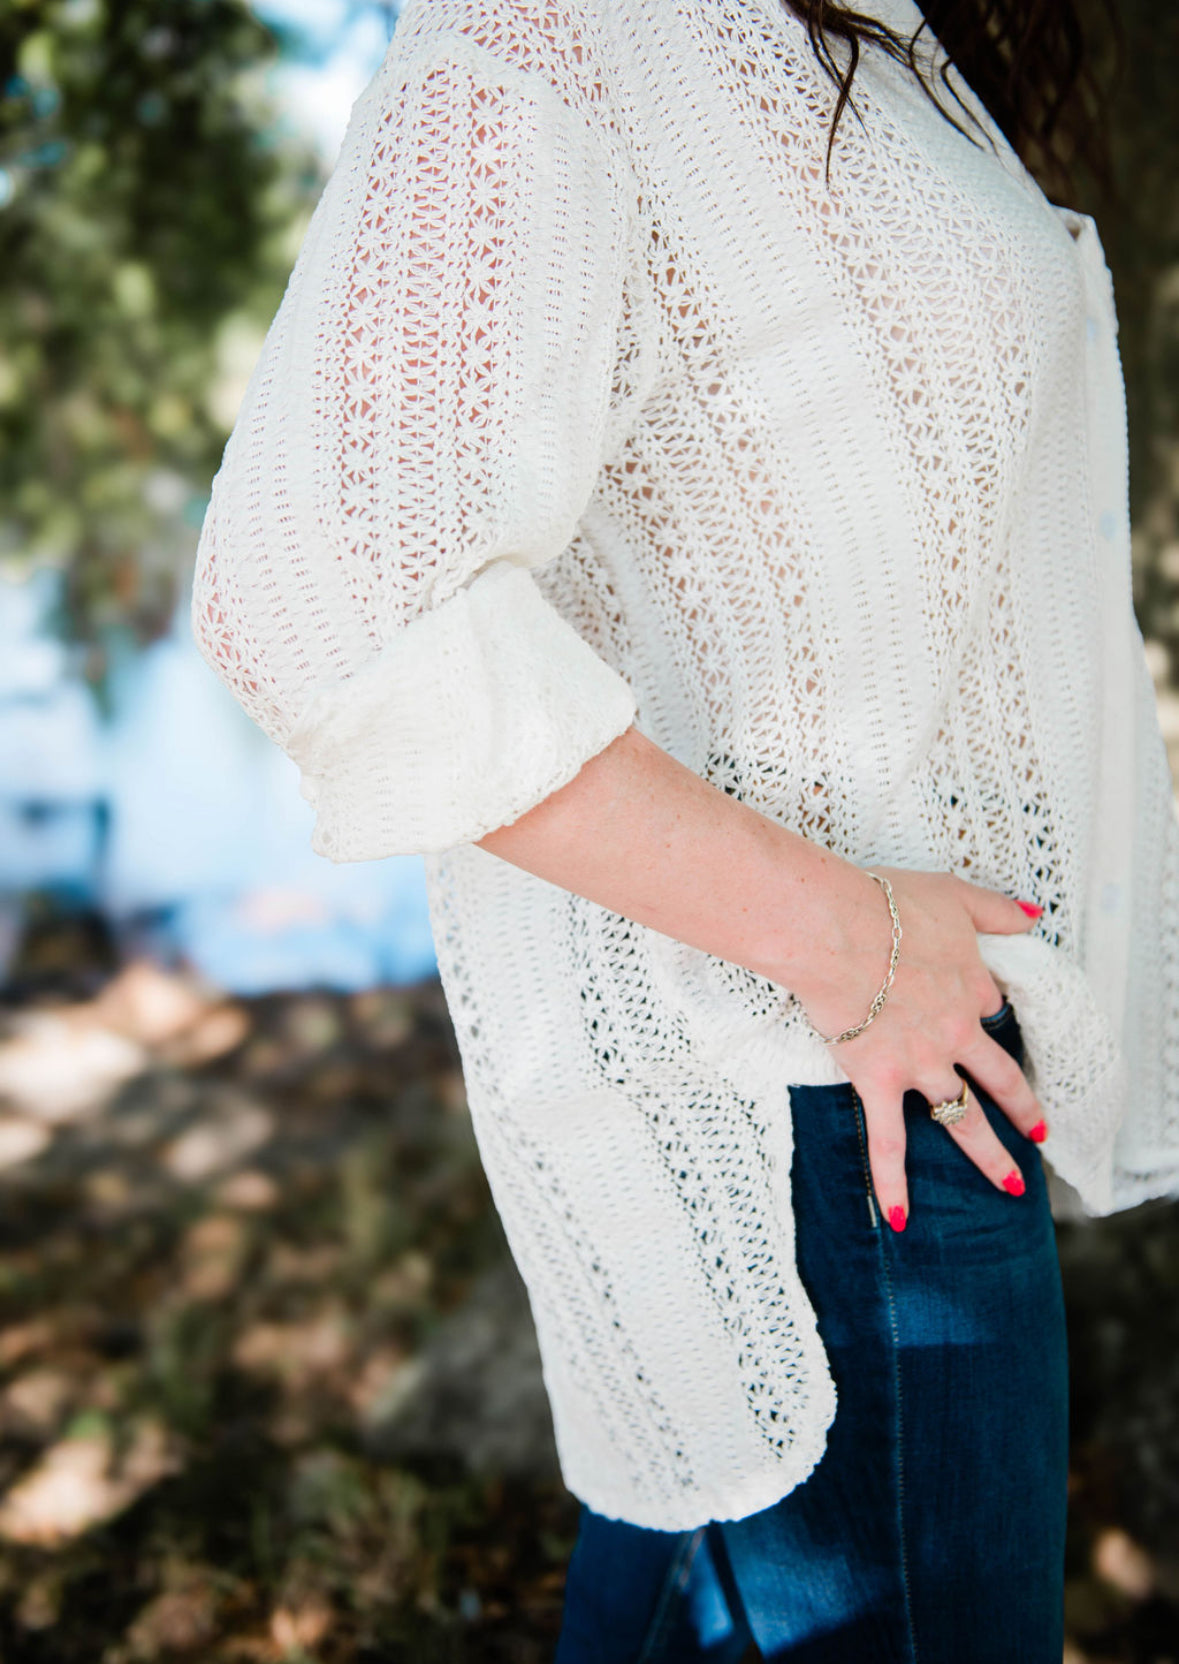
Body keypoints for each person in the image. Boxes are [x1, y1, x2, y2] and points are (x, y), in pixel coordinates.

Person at [190, 0, 1179, 1655]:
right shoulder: (573, 23)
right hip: (820, 1105)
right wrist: (852, 945)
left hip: (884, 1089)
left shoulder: (881, 34)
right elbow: (331, 590)